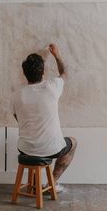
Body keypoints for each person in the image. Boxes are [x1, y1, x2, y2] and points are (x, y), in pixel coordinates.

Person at [12, 43, 77, 192]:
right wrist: (57, 54)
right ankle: (52, 183)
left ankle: (36, 185)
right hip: (51, 148)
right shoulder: (52, 87)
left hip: (25, 149)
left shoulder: (15, 96)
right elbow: (65, 73)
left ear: (24, 73)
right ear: (43, 72)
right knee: (73, 143)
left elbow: (19, 120)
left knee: (34, 145)